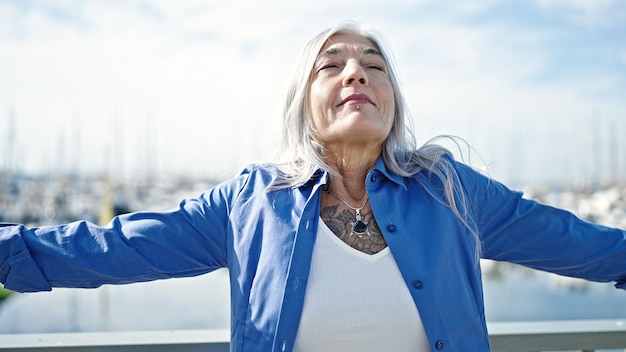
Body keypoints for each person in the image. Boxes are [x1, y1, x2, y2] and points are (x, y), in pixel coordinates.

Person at [1, 22, 625, 352]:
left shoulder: (452, 193)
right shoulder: (249, 203)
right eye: (333, 65)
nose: (357, 71)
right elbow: (115, 246)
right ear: (305, 103)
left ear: (392, 102)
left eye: (374, 66)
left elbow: (580, 243)